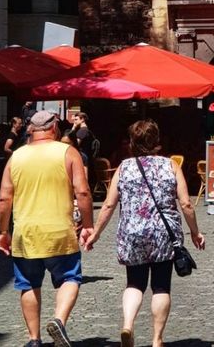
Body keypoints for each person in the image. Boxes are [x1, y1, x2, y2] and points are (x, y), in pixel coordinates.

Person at [85, 120, 205, 347]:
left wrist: (96, 234)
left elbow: (109, 205)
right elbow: (187, 204)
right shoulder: (171, 166)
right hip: (164, 235)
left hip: (132, 233)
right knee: (161, 286)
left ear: (132, 142)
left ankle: (128, 325)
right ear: (157, 140)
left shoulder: (124, 167)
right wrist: (195, 233)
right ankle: (157, 339)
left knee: (134, 283)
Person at [0, 110, 93, 347]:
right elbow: (82, 191)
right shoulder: (68, 152)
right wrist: (89, 224)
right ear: (54, 128)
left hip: (26, 232)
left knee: (28, 284)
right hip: (60, 230)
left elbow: (4, 199)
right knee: (69, 277)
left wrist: (2, 232)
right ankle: (59, 320)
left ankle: (33, 339)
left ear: (31, 130)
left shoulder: (16, 156)